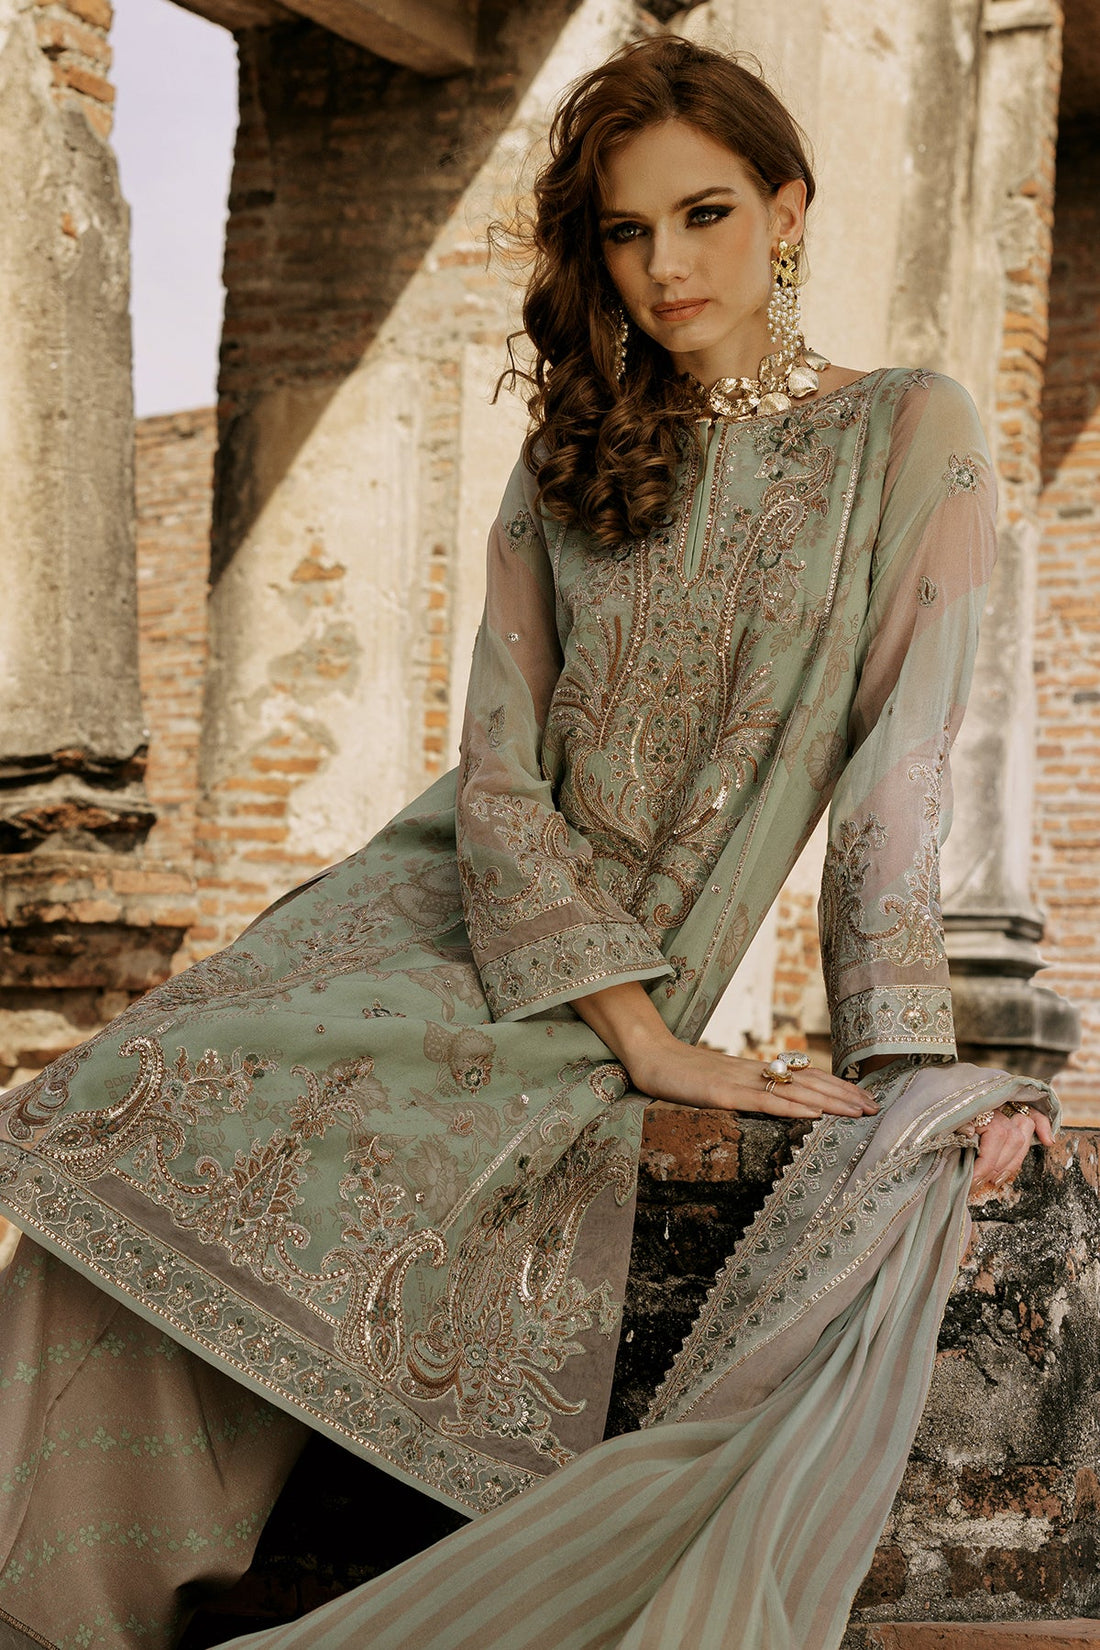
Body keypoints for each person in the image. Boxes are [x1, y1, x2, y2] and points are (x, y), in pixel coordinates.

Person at [0, 35, 1058, 1650]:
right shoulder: (577, 452)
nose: (665, 265)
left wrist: (909, 1072)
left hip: (597, 973)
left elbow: (896, 785)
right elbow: (496, 778)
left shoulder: (909, 435)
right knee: (131, 1098)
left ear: (788, 211)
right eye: (627, 232)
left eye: (704, 214)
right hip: (440, 913)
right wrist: (643, 1038)